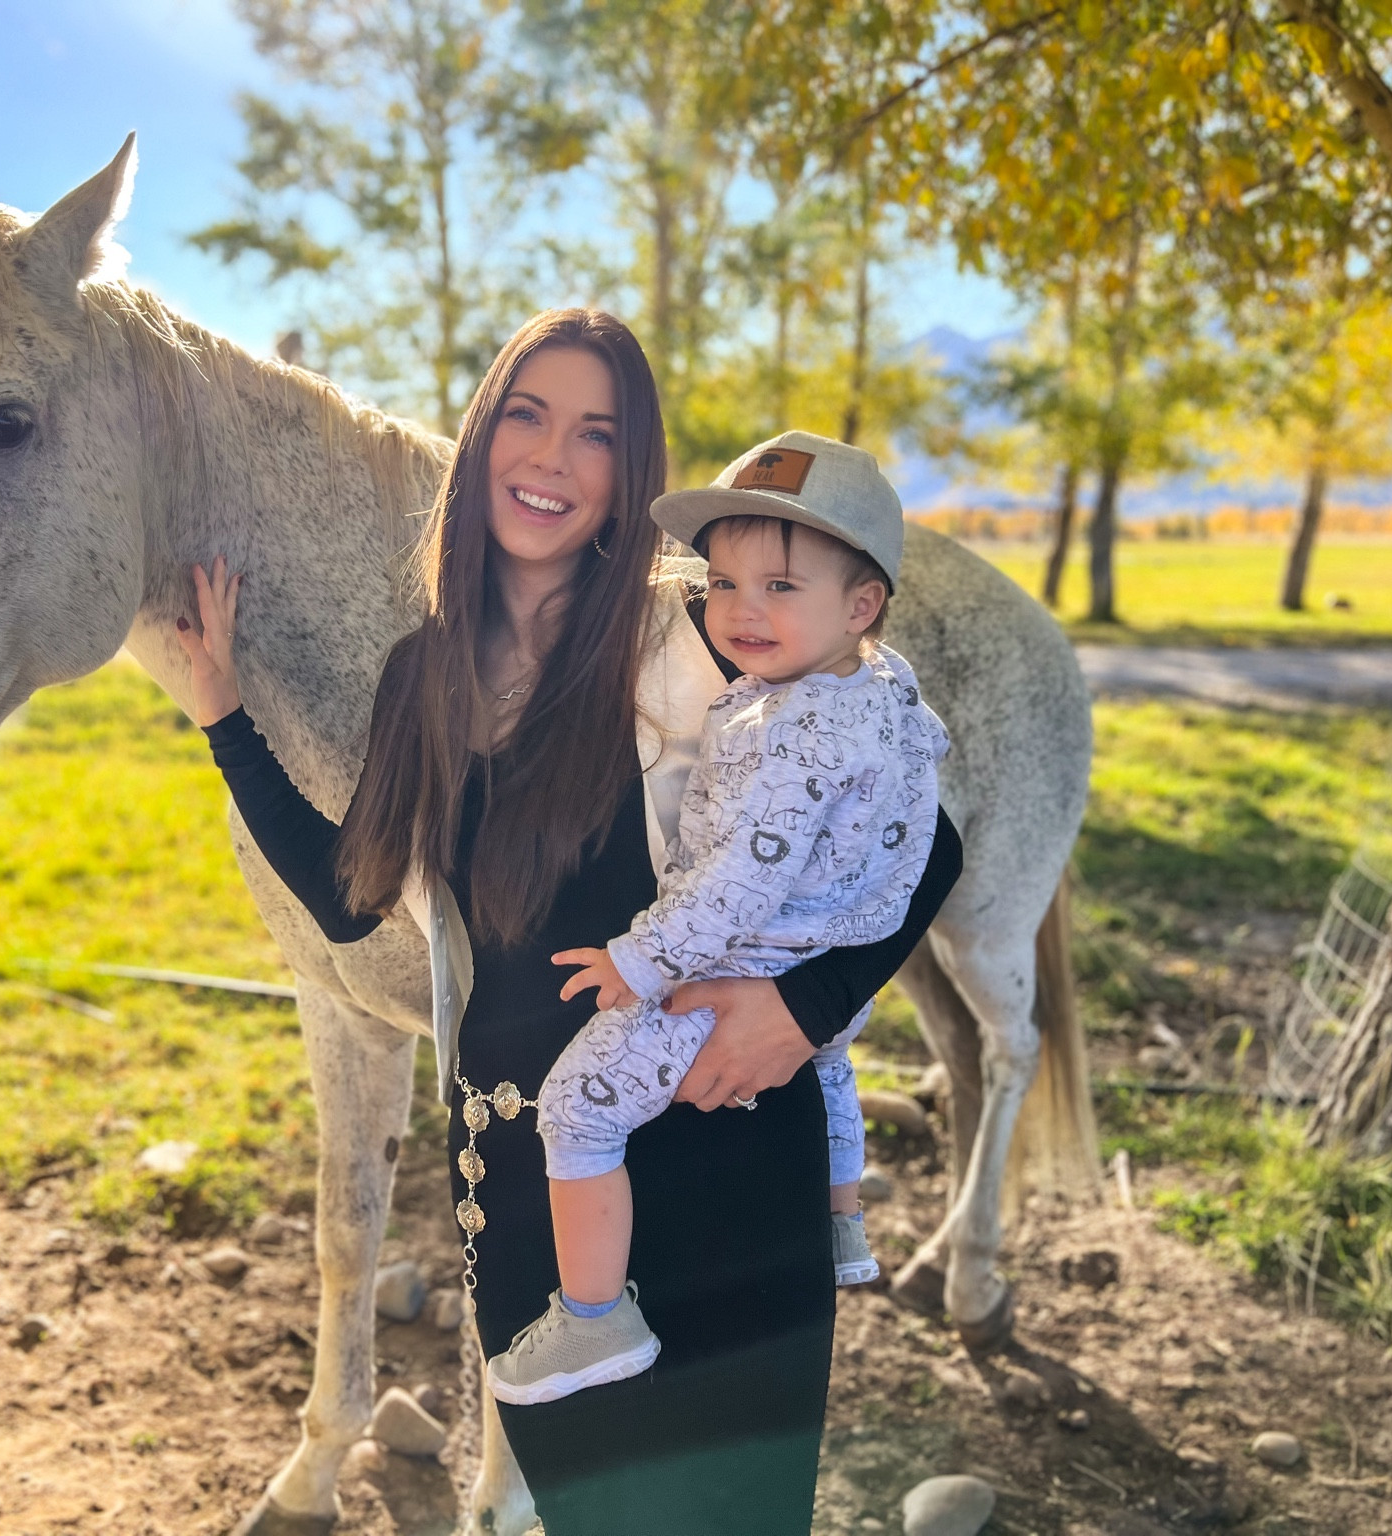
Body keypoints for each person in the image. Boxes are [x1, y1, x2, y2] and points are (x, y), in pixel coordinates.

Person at [176, 309, 962, 1535]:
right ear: (483, 436)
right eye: (528, 417)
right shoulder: (421, 673)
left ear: (629, 476)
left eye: (596, 435)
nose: (552, 459)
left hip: (716, 1126)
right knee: (590, 1512)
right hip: (529, 1173)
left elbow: (925, 833)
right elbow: (344, 897)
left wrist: (799, 1010)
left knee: (722, 1514)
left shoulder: (693, 631)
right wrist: (221, 710)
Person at [486, 432, 952, 1408]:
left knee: (575, 1104)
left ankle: (592, 1317)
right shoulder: (879, 691)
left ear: (858, 604)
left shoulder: (794, 729)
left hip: (732, 967)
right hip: (831, 949)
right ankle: (839, 1222)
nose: (742, 609)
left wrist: (641, 961)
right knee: (831, 1070)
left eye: (780, 587)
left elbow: (741, 881)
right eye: (725, 582)